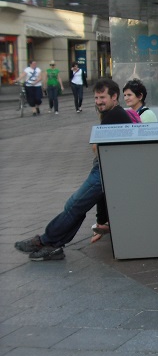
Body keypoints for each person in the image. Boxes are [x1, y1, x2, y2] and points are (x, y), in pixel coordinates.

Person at [13, 79, 132, 261]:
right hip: (104, 169)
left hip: (104, 170)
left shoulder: (115, 116)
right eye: (96, 97)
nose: (98, 101)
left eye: (102, 97)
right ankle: (52, 244)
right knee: (75, 206)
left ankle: (46, 241)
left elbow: (96, 147)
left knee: (74, 206)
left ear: (114, 97)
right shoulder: (113, 113)